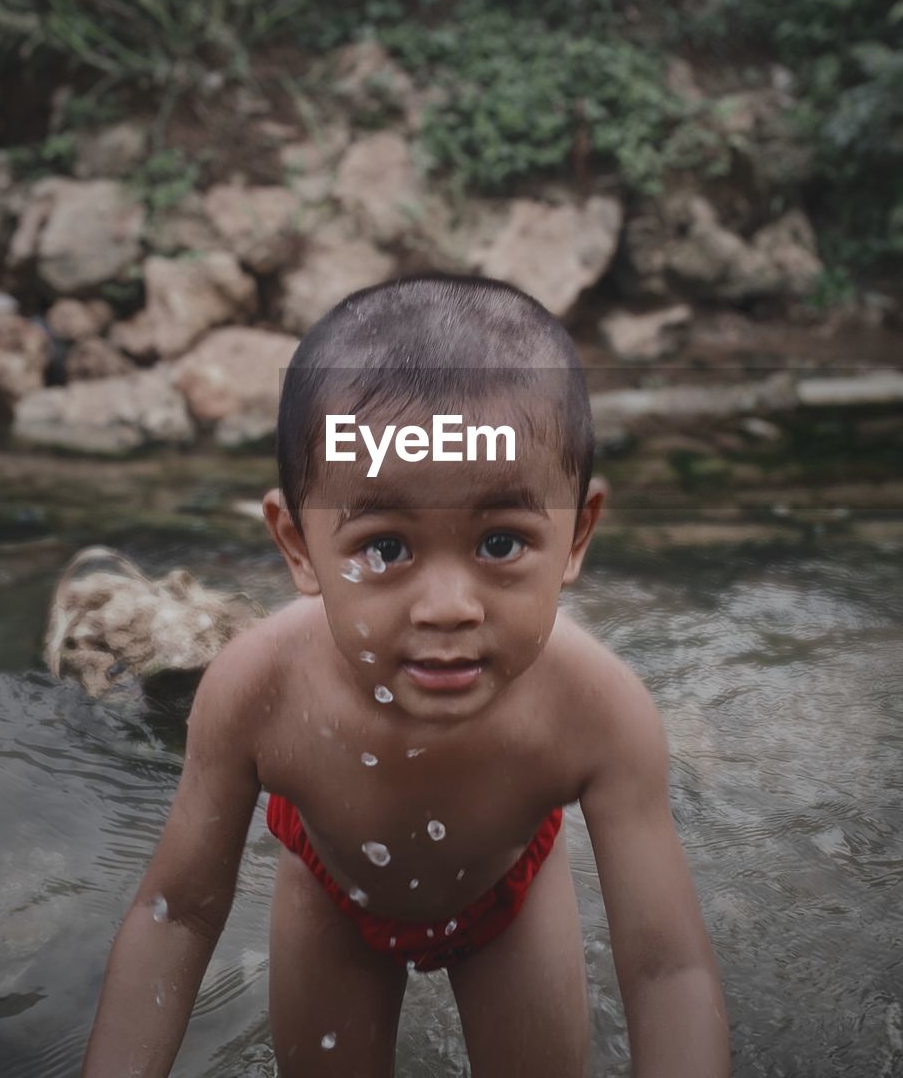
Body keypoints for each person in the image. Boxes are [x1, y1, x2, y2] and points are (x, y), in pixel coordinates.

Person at [82, 275, 730, 1077]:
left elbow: (669, 971)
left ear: (576, 535)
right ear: (297, 546)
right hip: (331, 894)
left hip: (509, 901)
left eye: (501, 543)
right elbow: (175, 916)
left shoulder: (596, 712)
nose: (449, 607)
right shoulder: (258, 690)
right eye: (385, 548)